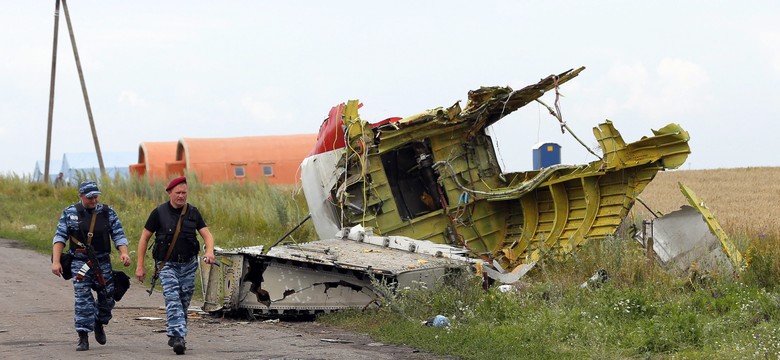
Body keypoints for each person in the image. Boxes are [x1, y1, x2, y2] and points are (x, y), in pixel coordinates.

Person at [135, 176, 215, 355]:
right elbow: (144, 238)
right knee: (172, 298)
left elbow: (207, 235)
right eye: (178, 193)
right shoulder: (159, 212)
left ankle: (174, 333)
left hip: (188, 264)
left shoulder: (193, 212)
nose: (181, 196)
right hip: (167, 265)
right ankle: (179, 337)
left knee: (183, 301)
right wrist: (140, 265)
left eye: (184, 193)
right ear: (170, 193)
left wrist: (209, 251)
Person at [51, 180, 132, 351]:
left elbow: (118, 234)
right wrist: (56, 262)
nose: (94, 200)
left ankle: (99, 322)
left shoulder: (107, 212)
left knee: (108, 297)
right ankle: (83, 336)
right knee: (82, 298)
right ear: (81, 196)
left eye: (96, 196)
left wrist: (123, 252)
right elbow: (59, 238)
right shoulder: (70, 213)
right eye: (90, 197)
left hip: (102, 262)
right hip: (80, 262)